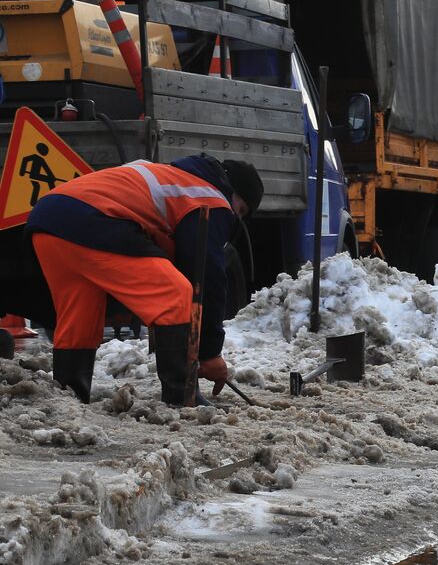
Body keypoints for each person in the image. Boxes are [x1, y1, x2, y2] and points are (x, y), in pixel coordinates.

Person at [26, 154, 263, 404]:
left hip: (48, 220)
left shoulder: (173, 177)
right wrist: (210, 353)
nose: (236, 217)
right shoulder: (212, 197)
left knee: (80, 317)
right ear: (233, 191)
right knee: (176, 296)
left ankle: (69, 396)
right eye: (241, 210)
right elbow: (207, 272)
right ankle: (182, 396)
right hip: (94, 218)